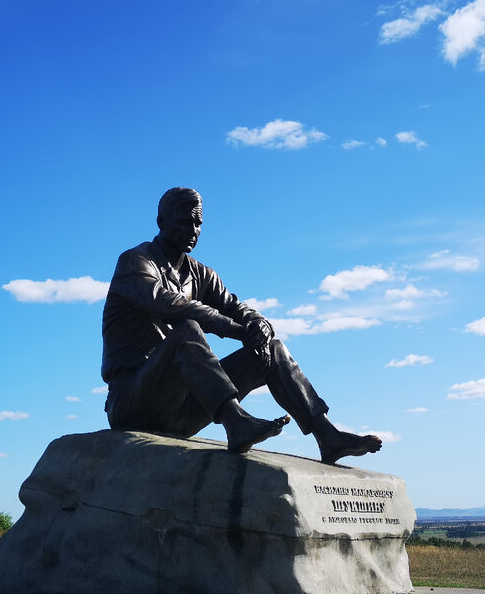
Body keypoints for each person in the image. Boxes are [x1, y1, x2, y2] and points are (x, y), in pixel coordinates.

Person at [101, 187, 382, 465]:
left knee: (271, 349)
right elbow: (170, 305)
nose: (193, 230)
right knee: (187, 329)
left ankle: (327, 436)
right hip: (133, 402)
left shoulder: (201, 274)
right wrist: (238, 331)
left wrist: (258, 324)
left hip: (180, 410)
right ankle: (236, 422)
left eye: (198, 223)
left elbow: (236, 307)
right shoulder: (136, 261)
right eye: (185, 222)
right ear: (161, 222)